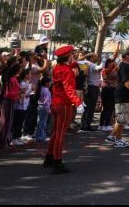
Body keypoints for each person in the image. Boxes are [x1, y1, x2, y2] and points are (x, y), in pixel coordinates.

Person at [45, 45, 84, 174]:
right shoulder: (67, 71)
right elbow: (69, 89)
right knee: (60, 134)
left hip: (55, 103)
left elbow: (69, 66)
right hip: (64, 104)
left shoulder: (58, 68)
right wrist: (78, 102)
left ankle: (49, 158)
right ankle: (57, 162)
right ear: (69, 56)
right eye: (72, 54)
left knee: (56, 132)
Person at [106, 49, 129, 148]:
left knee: (121, 120)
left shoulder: (126, 66)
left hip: (124, 95)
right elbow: (126, 81)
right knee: (121, 119)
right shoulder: (124, 67)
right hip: (122, 95)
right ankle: (115, 138)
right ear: (126, 56)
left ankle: (115, 138)